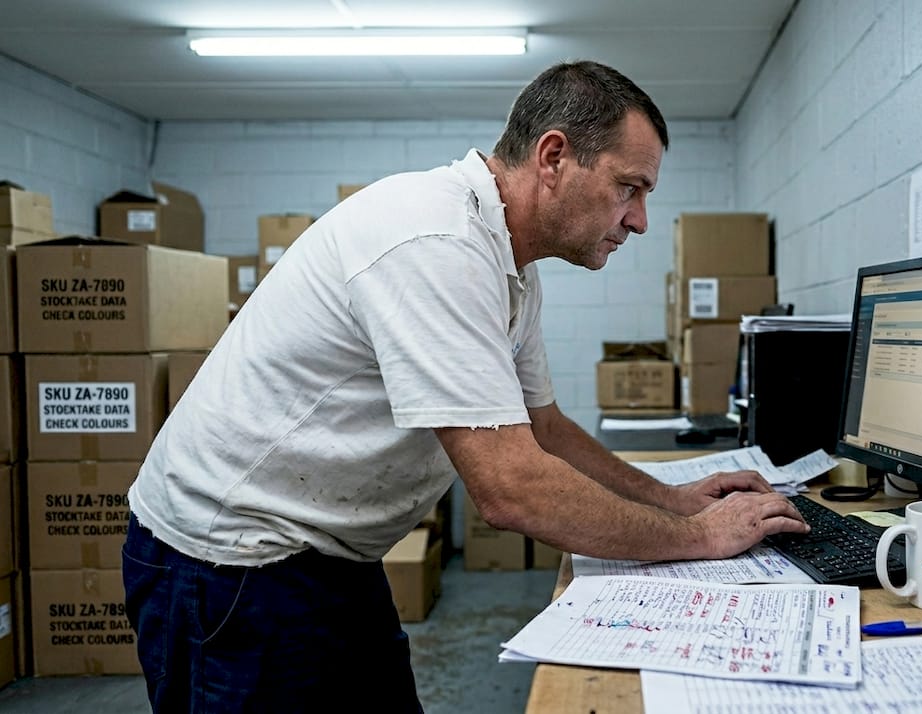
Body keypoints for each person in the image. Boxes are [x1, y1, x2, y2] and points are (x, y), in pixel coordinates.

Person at [122, 60, 809, 713]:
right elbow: (510, 488)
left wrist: (675, 499)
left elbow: (544, 429)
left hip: (327, 557)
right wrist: (700, 539)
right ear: (553, 157)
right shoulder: (436, 240)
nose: (638, 219)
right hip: (228, 567)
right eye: (630, 187)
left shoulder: (510, 265)